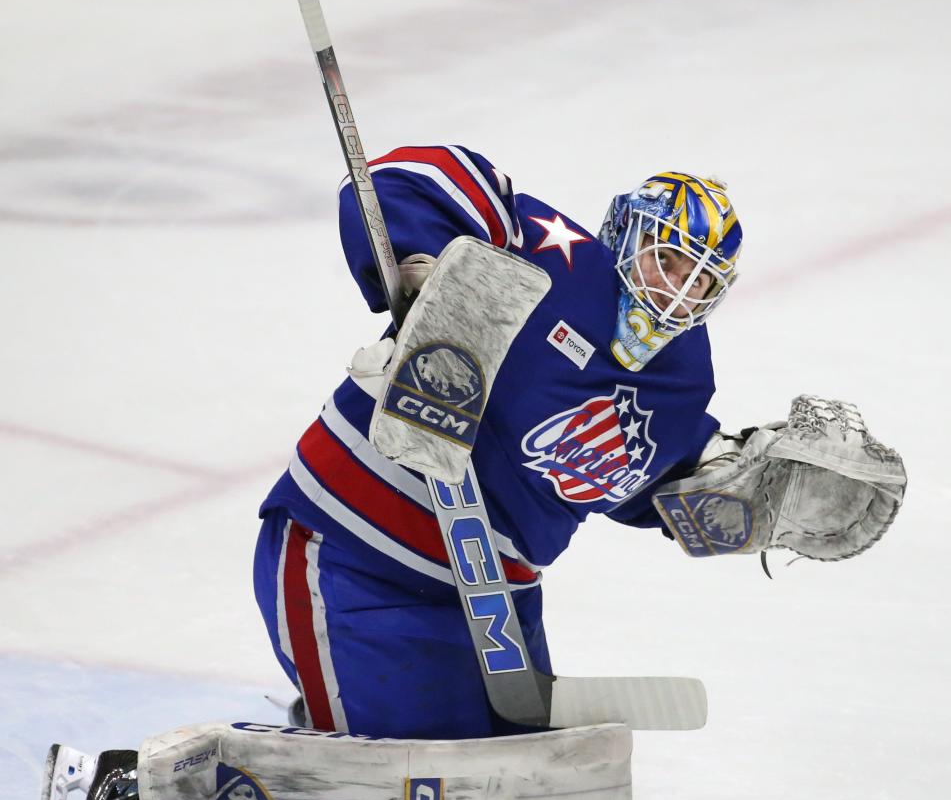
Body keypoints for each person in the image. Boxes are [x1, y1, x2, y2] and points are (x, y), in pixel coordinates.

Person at [253, 144, 742, 741]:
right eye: (666, 260)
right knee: (393, 772)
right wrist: (424, 265)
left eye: (702, 280)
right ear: (625, 231)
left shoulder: (682, 378)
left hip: (494, 605)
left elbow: (637, 479)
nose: (678, 289)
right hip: (354, 557)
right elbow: (403, 175)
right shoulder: (544, 253)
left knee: (507, 784)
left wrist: (731, 492)